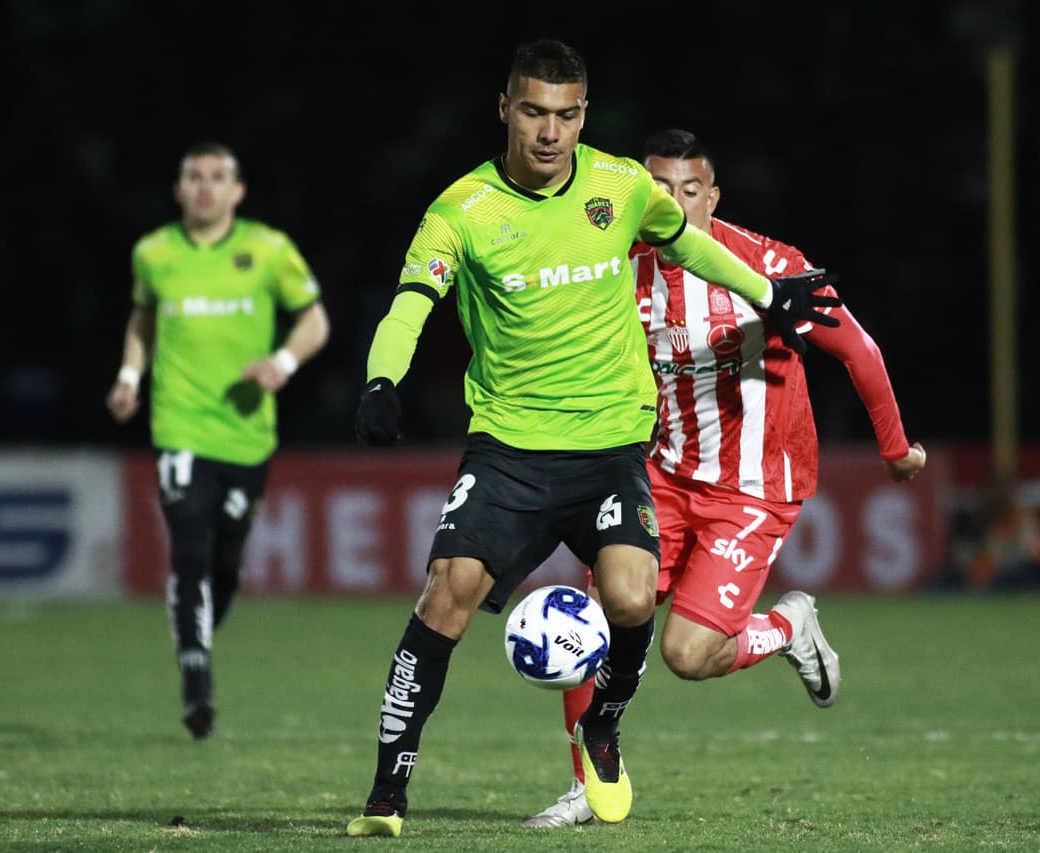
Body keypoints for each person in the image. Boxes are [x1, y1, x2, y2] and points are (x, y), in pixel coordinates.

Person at [347, 41, 840, 838]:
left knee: (631, 598)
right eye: (535, 112)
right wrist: (381, 381)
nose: (550, 132)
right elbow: (410, 302)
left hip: (613, 451)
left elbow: (686, 240)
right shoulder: (460, 211)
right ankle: (385, 795)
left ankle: (601, 730)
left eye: (567, 115)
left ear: (585, 114)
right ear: (504, 109)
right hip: (508, 449)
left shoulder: (620, 184)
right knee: (445, 596)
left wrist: (766, 291)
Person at [523, 128, 926, 827]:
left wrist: (895, 450)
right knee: (594, 620)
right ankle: (587, 786)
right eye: (658, 191)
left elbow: (859, 349)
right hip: (657, 473)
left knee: (688, 652)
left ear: (711, 197)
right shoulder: (617, 264)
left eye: (689, 191)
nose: (673, 204)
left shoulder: (768, 266)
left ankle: (788, 626)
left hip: (753, 487)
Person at [106, 141, 329, 740]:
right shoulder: (154, 253)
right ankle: (195, 679)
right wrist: (130, 376)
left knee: (227, 559)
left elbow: (315, 321)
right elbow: (143, 318)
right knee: (190, 550)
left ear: (237, 191)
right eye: (194, 178)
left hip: (247, 435)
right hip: (179, 426)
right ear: (178, 190)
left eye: (217, 178)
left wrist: (282, 361)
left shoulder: (268, 250)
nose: (205, 187)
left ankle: (200, 628)